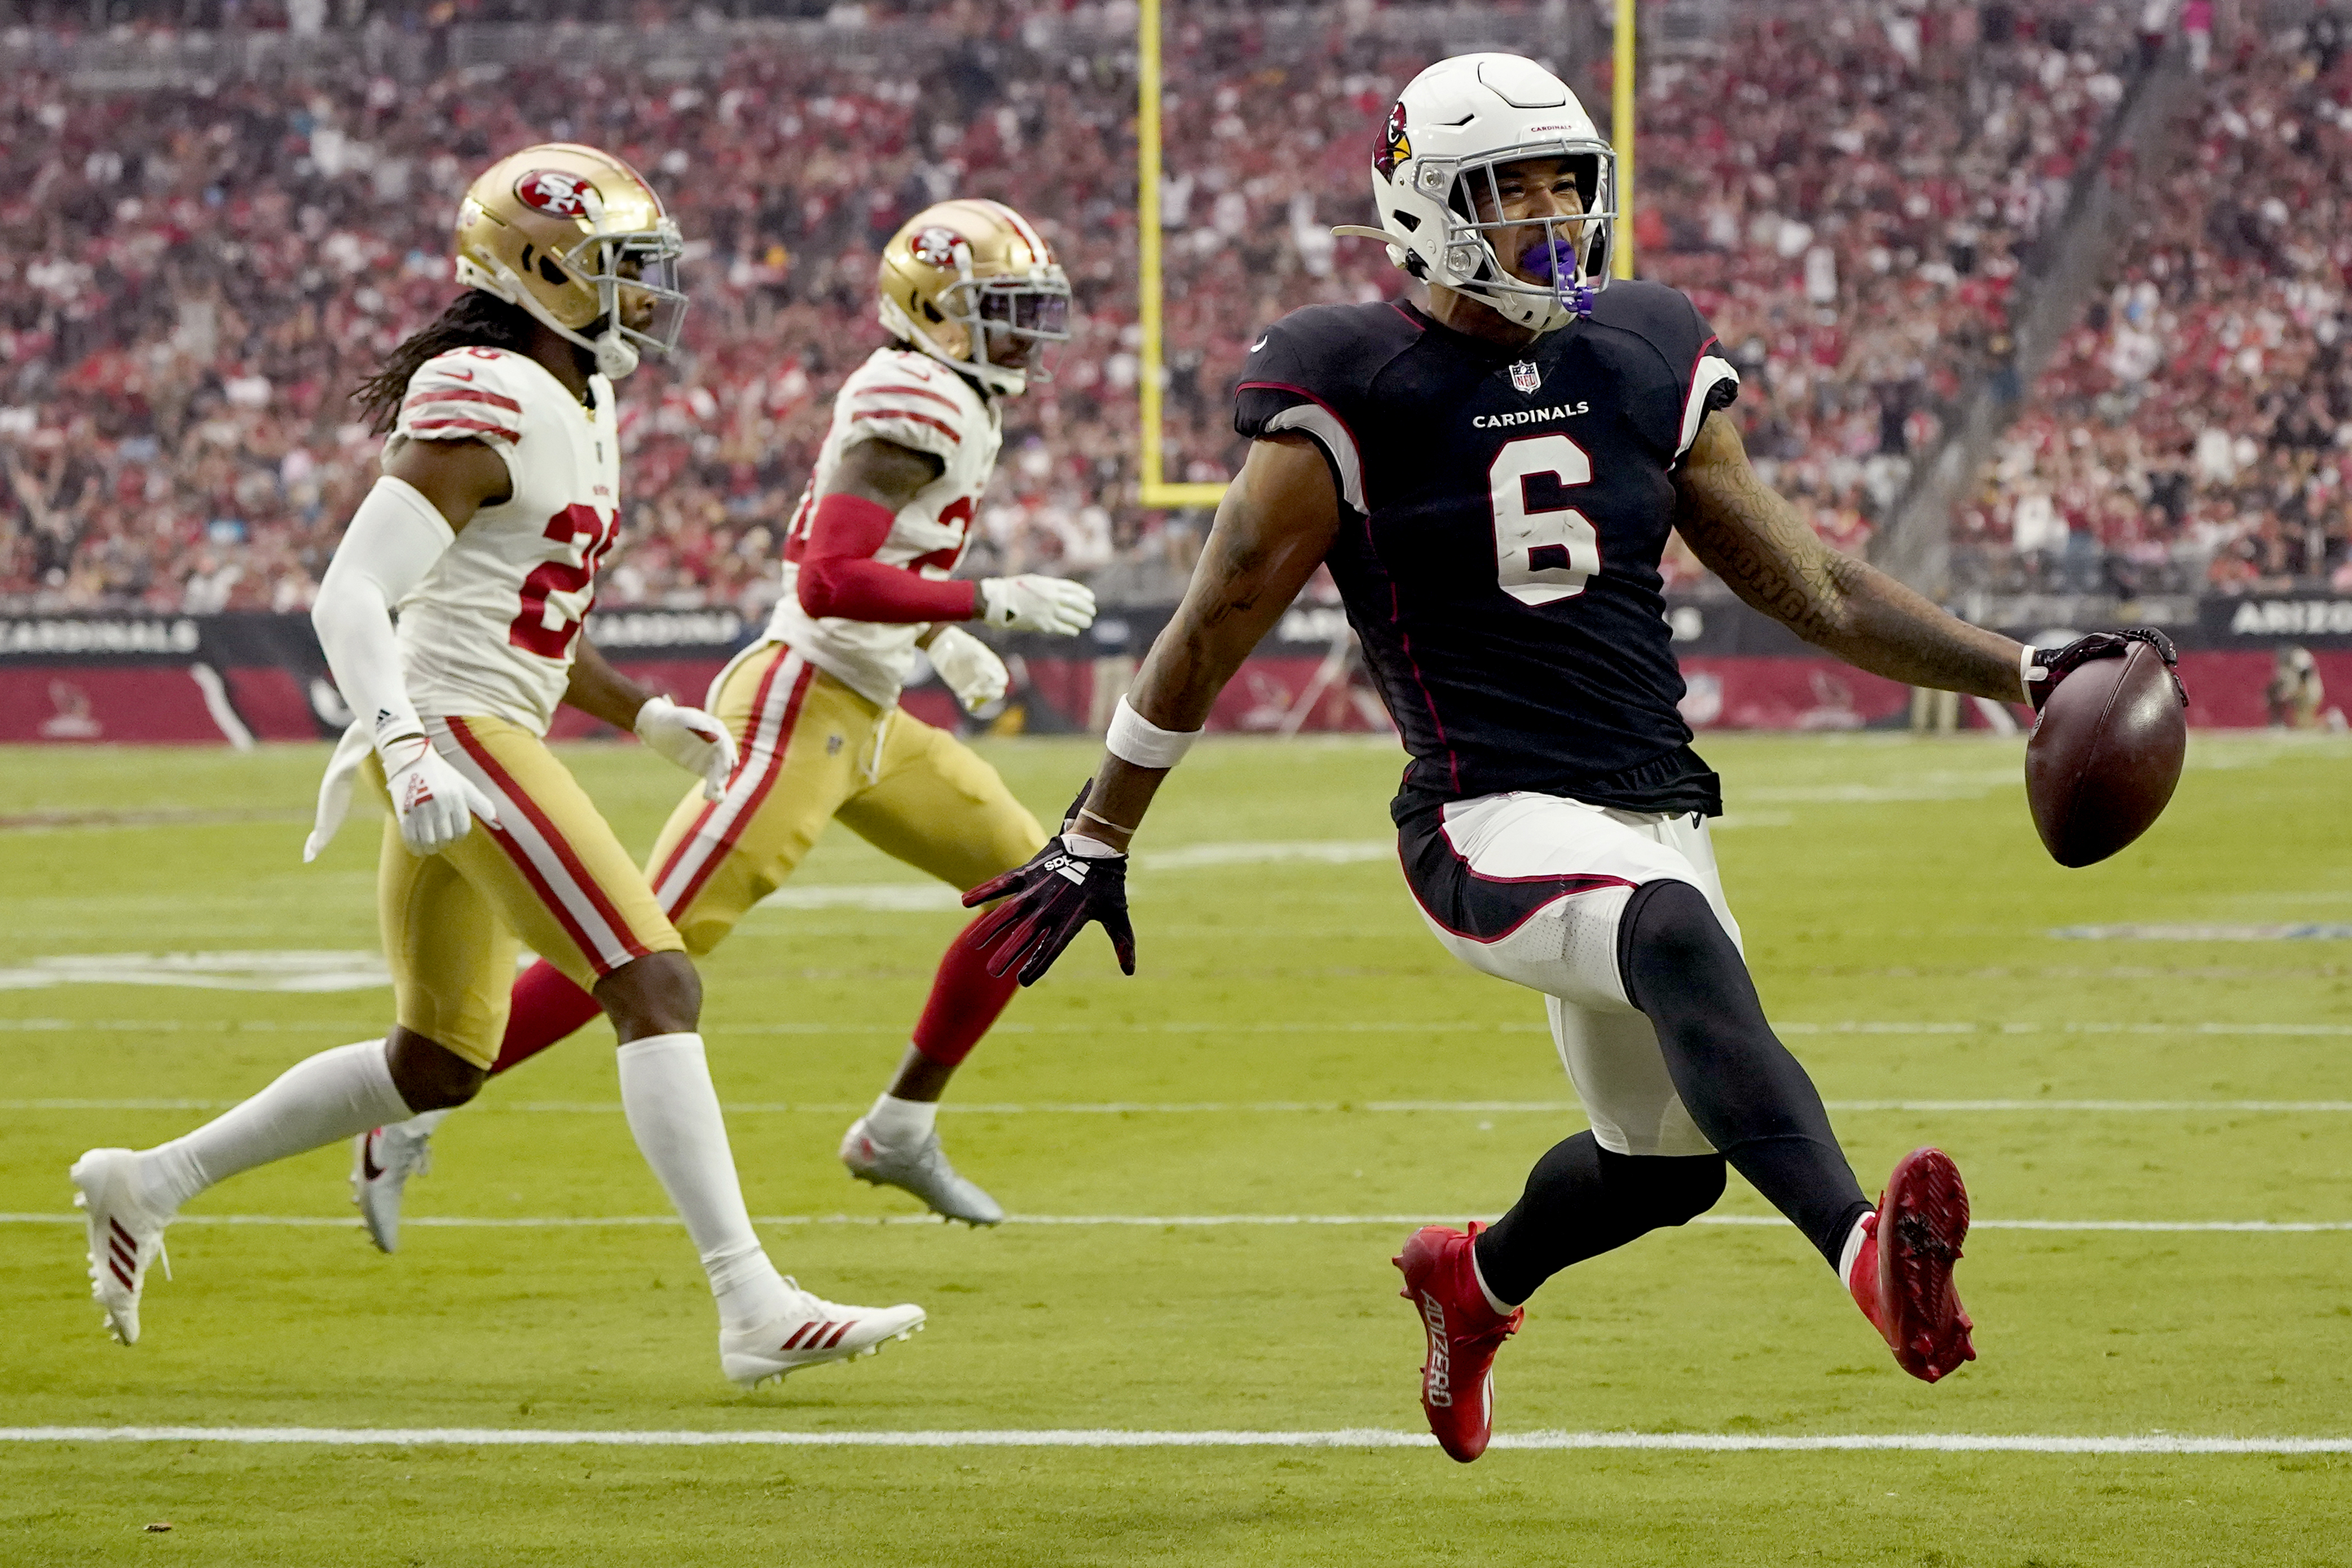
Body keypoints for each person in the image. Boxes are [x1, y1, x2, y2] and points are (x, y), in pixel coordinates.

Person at [959, 56, 2185, 1461]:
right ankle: (1864, 1254)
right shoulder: (1350, 381)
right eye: (1506, 187)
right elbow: (1216, 616)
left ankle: (1470, 1283)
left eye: (1565, 182)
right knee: (1670, 943)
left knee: (1664, 1173)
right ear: (1421, 204)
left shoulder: (1641, 347)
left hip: (1655, 808)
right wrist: (1097, 831)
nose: (1547, 215)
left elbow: (1817, 587)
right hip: (1484, 818)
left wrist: (2022, 667)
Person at [70, 144, 924, 1388]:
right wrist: (410, 748)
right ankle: (749, 1301)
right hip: (456, 733)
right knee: (655, 980)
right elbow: (352, 595)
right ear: (543, 272)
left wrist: (643, 716)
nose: (649, 293)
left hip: (470, 721)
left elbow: (528, 609)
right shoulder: (489, 389)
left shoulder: (579, 395)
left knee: (438, 1064)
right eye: (622, 270)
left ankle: (150, 1181)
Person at [348, 198, 1094, 1241]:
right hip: (799, 705)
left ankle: (899, 1127)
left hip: (871, 712)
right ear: (934, 311)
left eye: (1031, 309)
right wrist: (980, 603)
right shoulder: (911, 396)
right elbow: (830, 578)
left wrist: (933, 638)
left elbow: (885, 556)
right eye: (1004, 309)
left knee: (1036, 890)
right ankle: (411, 1107)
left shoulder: (954, 394)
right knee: (645, 950)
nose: (1027, 333)